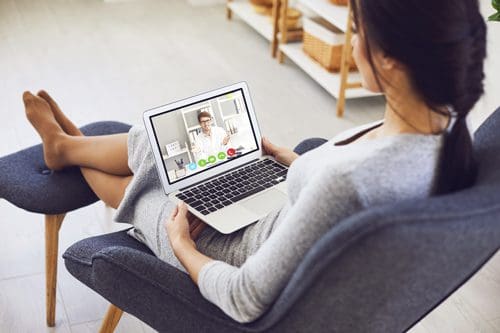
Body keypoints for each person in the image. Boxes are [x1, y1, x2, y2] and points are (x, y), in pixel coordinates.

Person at [21, 0, 486, 324]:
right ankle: (70, 143)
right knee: (155, 150)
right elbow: (350, 175)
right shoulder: (446, 129)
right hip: (281, 205)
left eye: (358, 30)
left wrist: (183, 244)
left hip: (233, 247)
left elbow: (244, 299)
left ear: (386, 59)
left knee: (145, 182)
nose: (354, 41)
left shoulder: (349, 182)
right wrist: (293, 161)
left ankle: (64, 148)